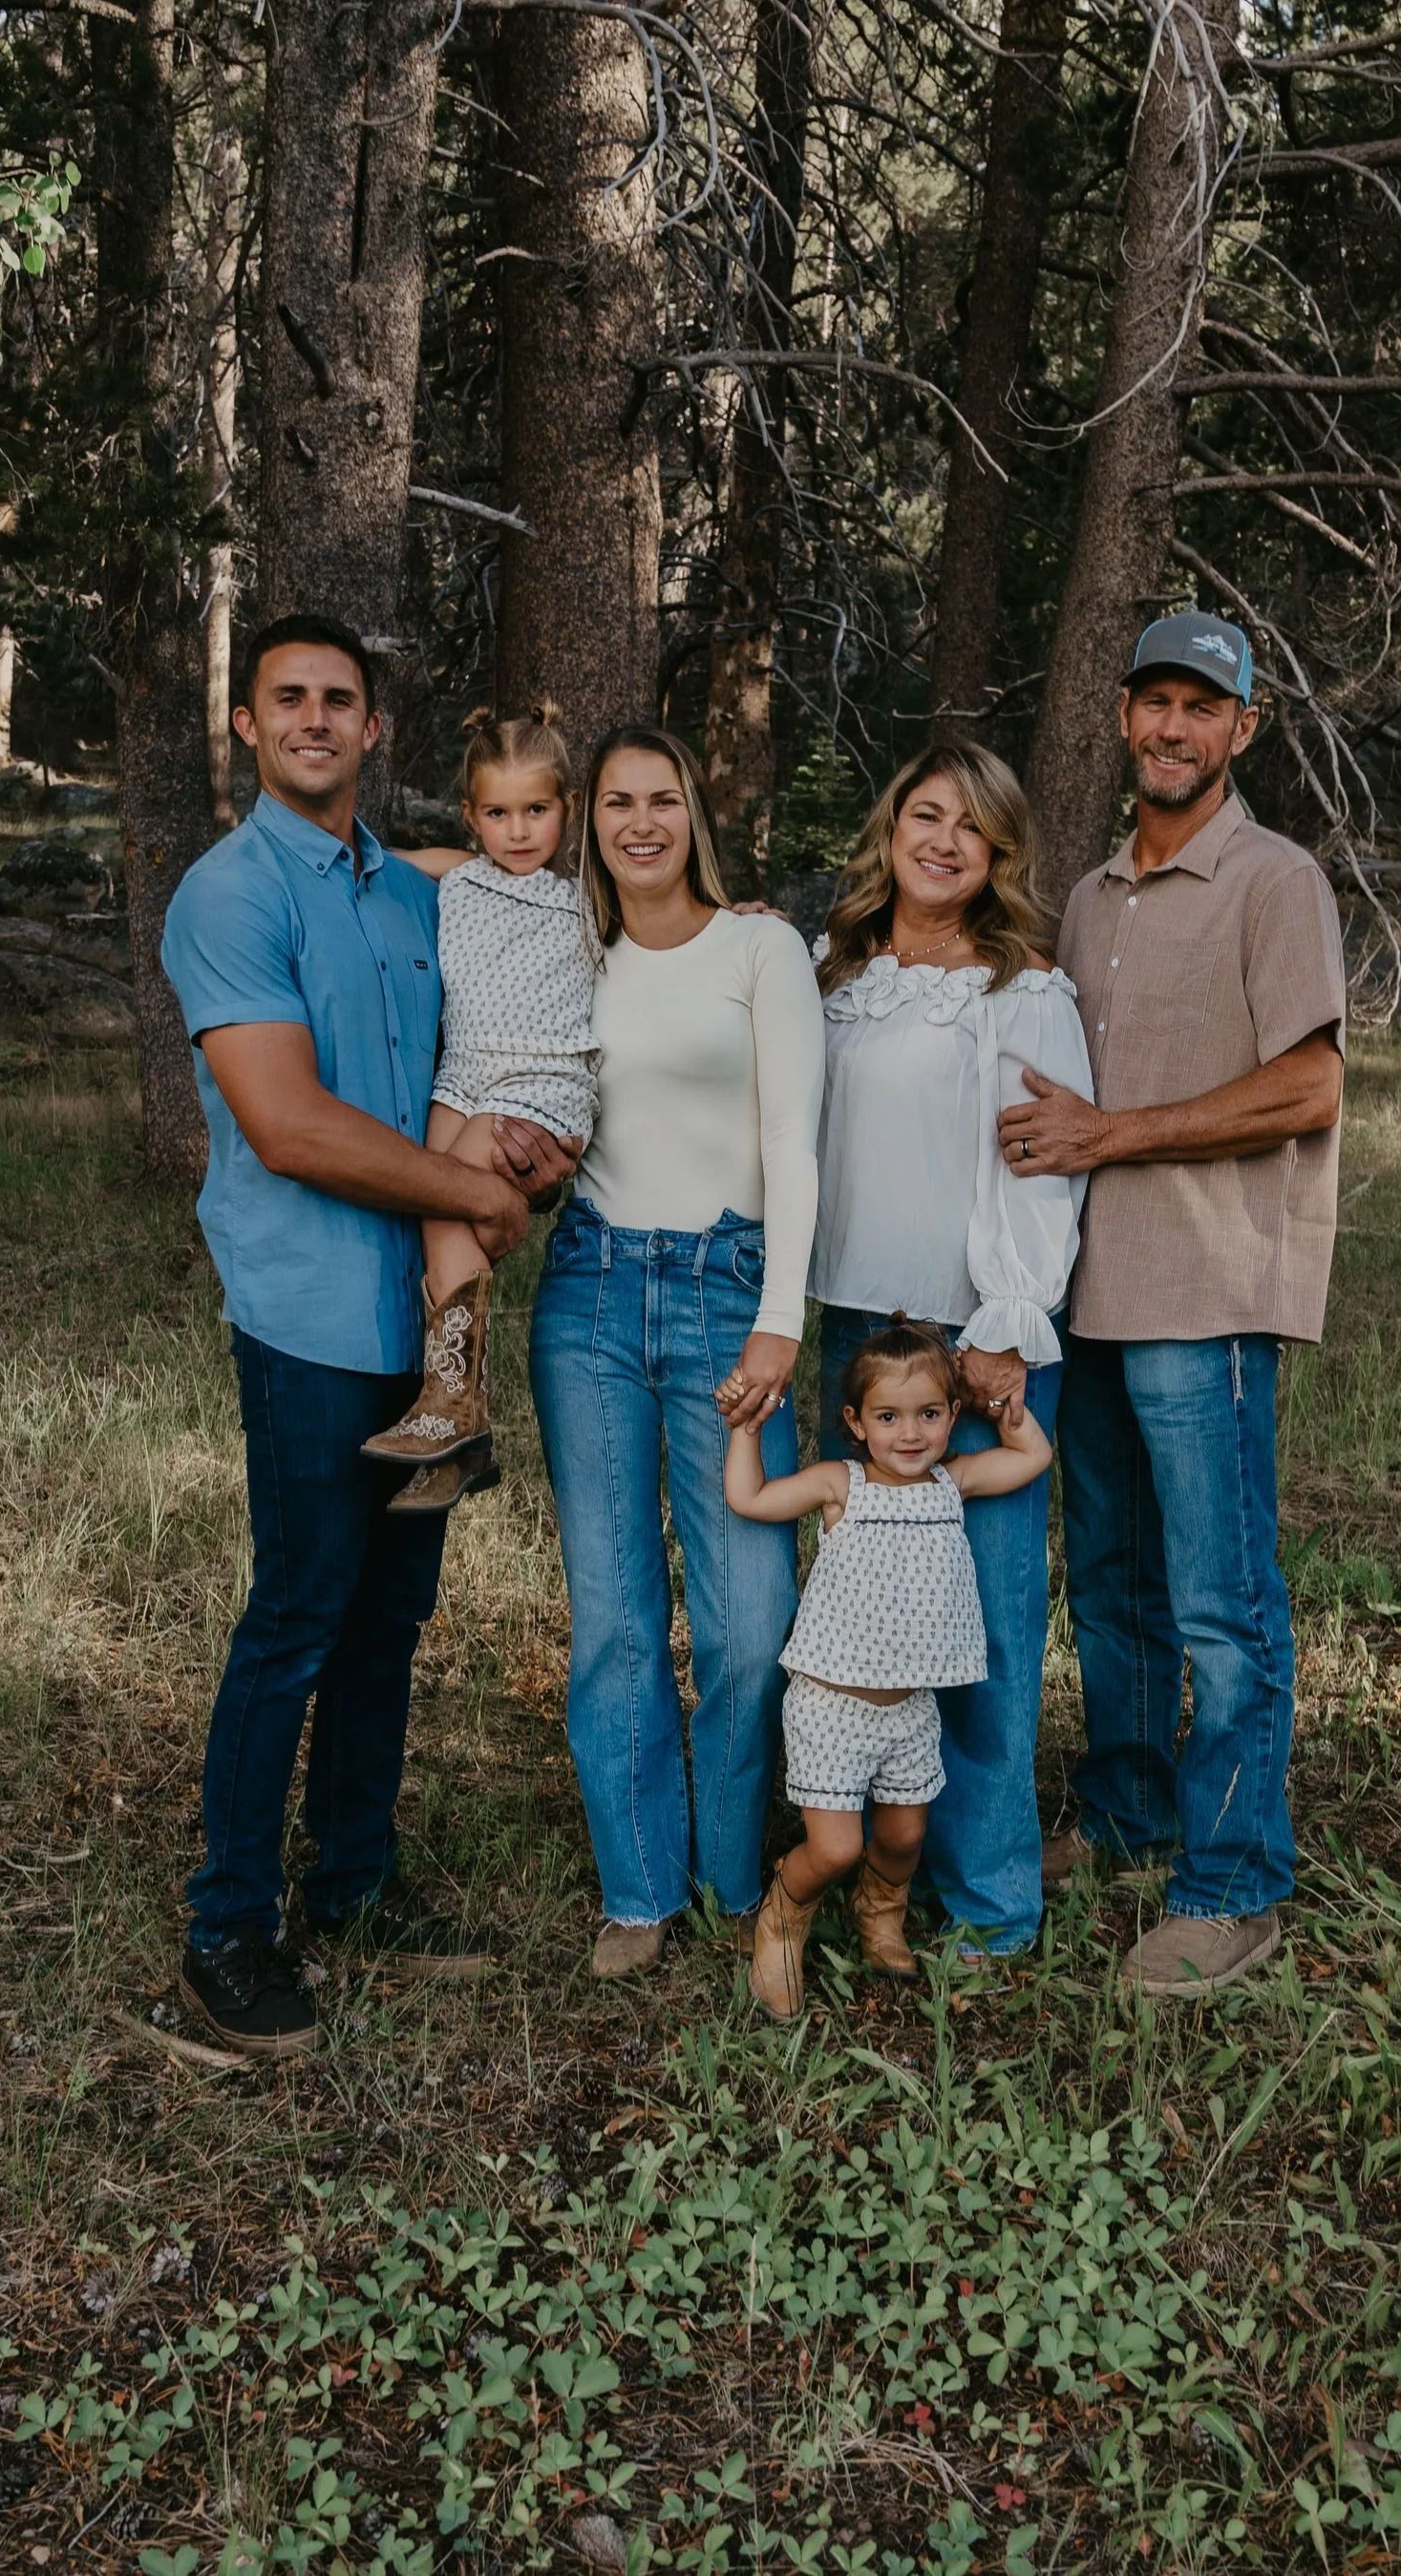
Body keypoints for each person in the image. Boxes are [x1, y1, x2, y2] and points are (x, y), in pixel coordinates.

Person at [159, 615, 578, 2056]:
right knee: (301, 1610)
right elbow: (284, 1122)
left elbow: (525, 919)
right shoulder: (227, 895)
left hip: (429, 1328)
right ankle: (230, 1927)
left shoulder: (411, 893)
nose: (317, 719)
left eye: (342, 700)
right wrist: (473, 1187)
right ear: (247, 725)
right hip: (309, 1317)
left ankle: (352, 1883)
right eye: (290, 699)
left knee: (392, 1615)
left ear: (375, 729)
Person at [1000, 609, 1346, 2000]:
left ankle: (1235, 1879)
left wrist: (1113, 1135)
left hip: (1207, 1292)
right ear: (1126, 715)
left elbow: (1309, 1086)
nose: (1173, 727)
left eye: (1202, 707)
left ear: (1242, 728)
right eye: (1154, 700)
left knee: (1221, 1601)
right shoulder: (1086, 895)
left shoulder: (1276, 880)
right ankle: (1133, 1812)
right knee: (1119, 1586)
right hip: (1093, 1296)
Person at [527, 726, 826, 1979]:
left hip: (725, 1292)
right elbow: (443, 865)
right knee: (616, 1619)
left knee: (752, 1620)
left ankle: (731, 1872)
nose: (638, 823)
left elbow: (796, 1137)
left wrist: (782, 1317)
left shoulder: (760, 947)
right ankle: (639, 1887)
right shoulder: (560, 950)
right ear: (585, 818)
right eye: (613, 802)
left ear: (694, 812)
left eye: (661, 798)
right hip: (591, 1292)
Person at [808, 740, 1091, 1960]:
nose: (942, 840)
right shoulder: (834, 976)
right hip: (846, 1333)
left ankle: (990, 1905)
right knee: (866, 1616)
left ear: (997, 855)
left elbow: (1043, 1165)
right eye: (924, 814)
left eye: (969, 827)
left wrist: (1008, 1325)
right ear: (892, 830)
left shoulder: (1019, 990)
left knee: (982, 1632)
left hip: (973, 1337)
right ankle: (873, 1863)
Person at [724, 1317, 1051, 2022]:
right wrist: (745, 1429)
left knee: (904, 1836)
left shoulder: (950, 1483)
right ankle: (782, 1916)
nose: (911, 1433)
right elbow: (749, 1499)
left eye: (929, 1414)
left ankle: (881, 1912)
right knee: (836, 1845)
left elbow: (1030, 1457)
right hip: (831, 1710)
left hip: (909, 1711)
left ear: (951, 1416)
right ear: (856, 1421)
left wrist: (1007, 1411)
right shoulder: (841, 1486)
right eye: (889, 1416)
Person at [362, 703, 597, 1501]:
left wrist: (739, 913)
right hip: (461, 1075)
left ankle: (450, 1405)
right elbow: (374, 857)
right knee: (426, 1196)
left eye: (538, 810)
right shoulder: (455, 875)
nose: (519, 829)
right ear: (471, 817)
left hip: (543, 1077)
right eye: (498, 812)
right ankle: (457, 1430)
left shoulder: (592, 895)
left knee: (441, 1191)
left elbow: (683, 916)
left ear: (568, 807)